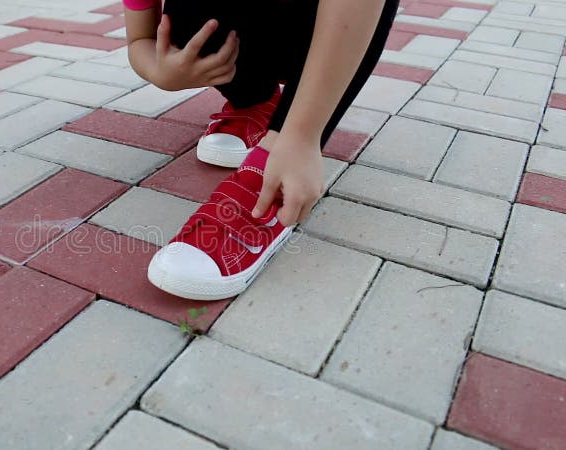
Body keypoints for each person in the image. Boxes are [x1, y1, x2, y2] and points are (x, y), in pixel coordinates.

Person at [123, 0, 399, 300]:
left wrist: (301, 137)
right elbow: (140, 40)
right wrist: (159, 71)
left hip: (323, 27)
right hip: (256, 34)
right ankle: (256, 100)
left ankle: (281, 144)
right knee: (185, 16)